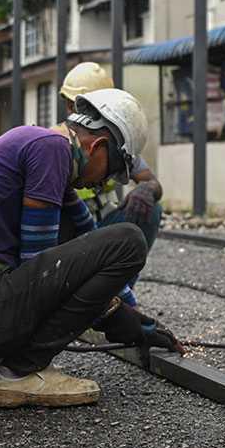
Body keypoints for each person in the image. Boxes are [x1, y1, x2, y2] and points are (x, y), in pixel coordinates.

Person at [0, 88, 183, 409]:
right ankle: (20, 372)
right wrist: (109, 316)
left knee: (101, 241)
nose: (99, 185)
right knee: (129, 242)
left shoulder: (38, 146)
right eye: (109, 172)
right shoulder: (51, 150)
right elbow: (40, 266)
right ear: (98, 146)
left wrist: (139, 320)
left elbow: (85, 235)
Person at [55, 62, 164, 307]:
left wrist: (145, 190)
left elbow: (152, 182)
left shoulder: (118, 145)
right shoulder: (56, 146)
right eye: (71, 104)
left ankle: (117, 297)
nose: (73, 110)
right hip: (66, 236)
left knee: (150, 209)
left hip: (100, 226)